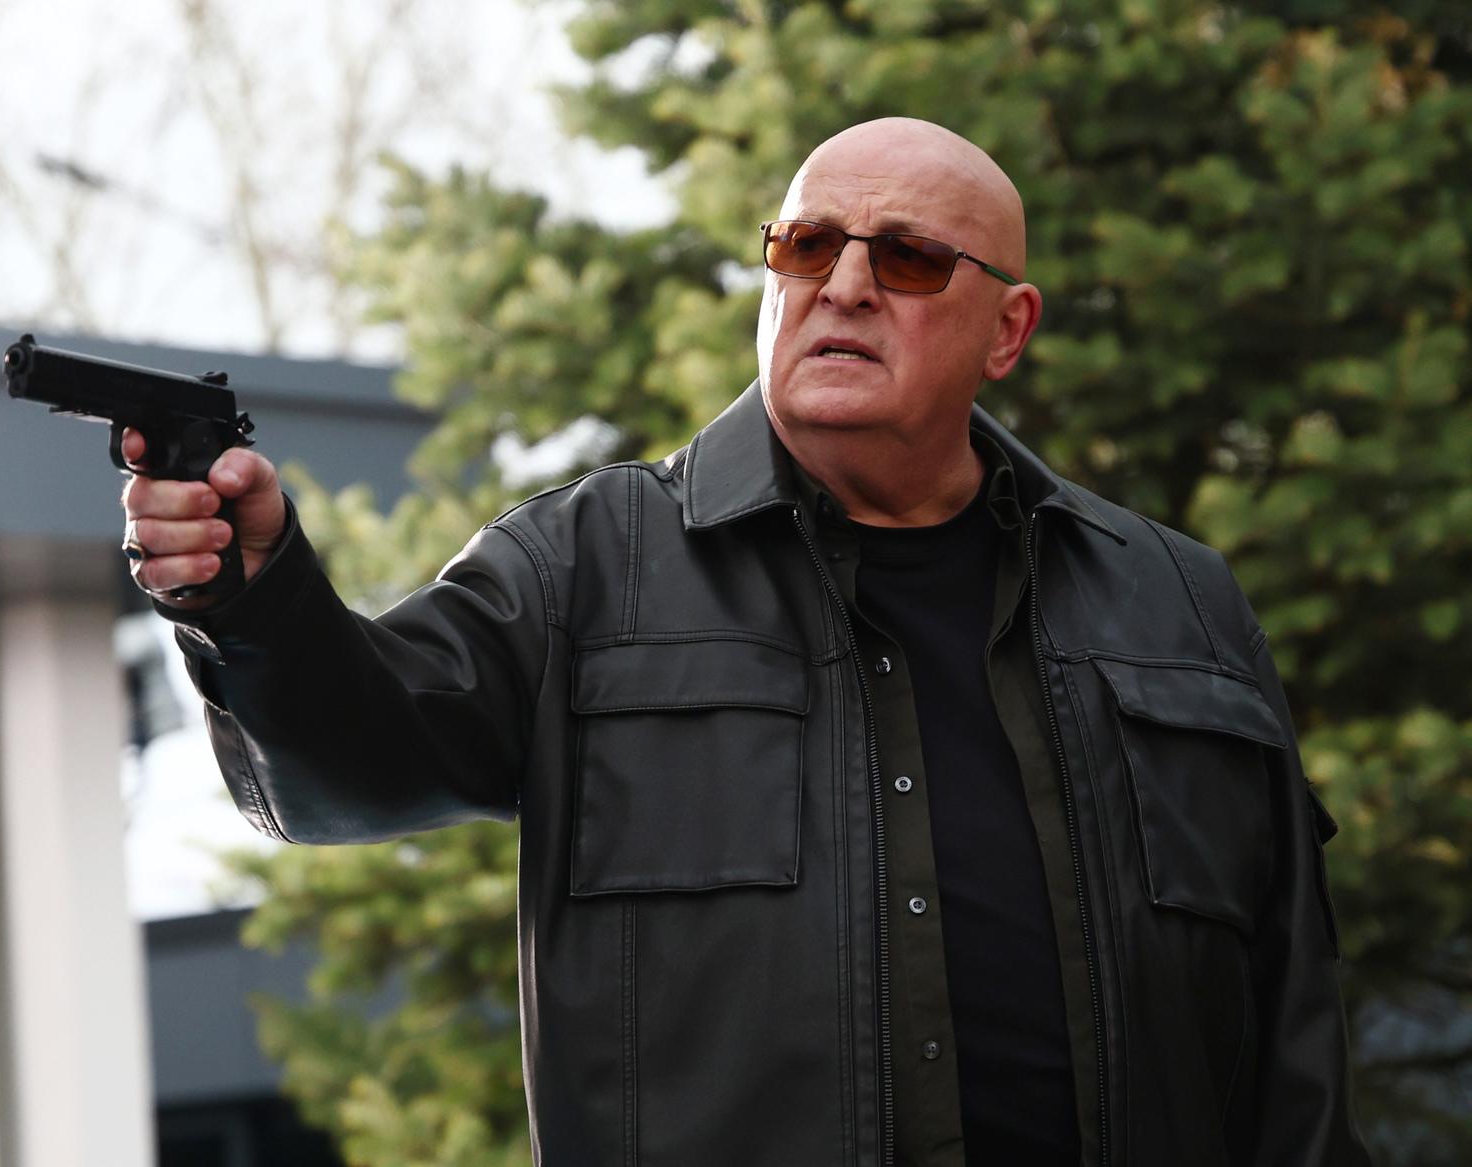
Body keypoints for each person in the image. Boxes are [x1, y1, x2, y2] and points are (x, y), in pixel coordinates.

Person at [119, 118, 1369, 1165]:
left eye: (909, 258)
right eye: (808, 244)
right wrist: (255, 598)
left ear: (1007, 328)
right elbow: (347, 771)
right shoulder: (585, 568)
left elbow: (1294, 1038)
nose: (845, 284)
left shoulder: (1177, 603)